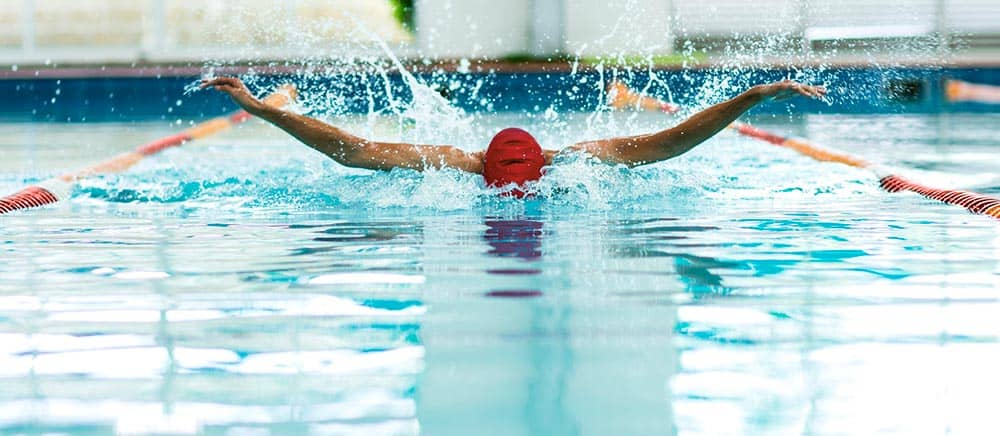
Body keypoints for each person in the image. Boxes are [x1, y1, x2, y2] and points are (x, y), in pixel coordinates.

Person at [201, 76, 826, 197]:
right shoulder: (575, 165)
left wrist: (262, 110)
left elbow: (353, 150)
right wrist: (753, 97)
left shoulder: (452, 167)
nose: (515, 195)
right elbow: (670, 143)